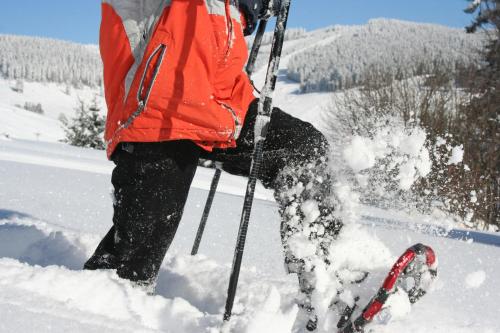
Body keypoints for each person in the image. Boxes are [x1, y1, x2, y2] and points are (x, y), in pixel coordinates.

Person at [85, 0, 342, 329]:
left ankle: (325, 289)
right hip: (160, 108)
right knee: (130, 270)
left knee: (305, 149)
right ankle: (87, 316)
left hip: (223, 106)